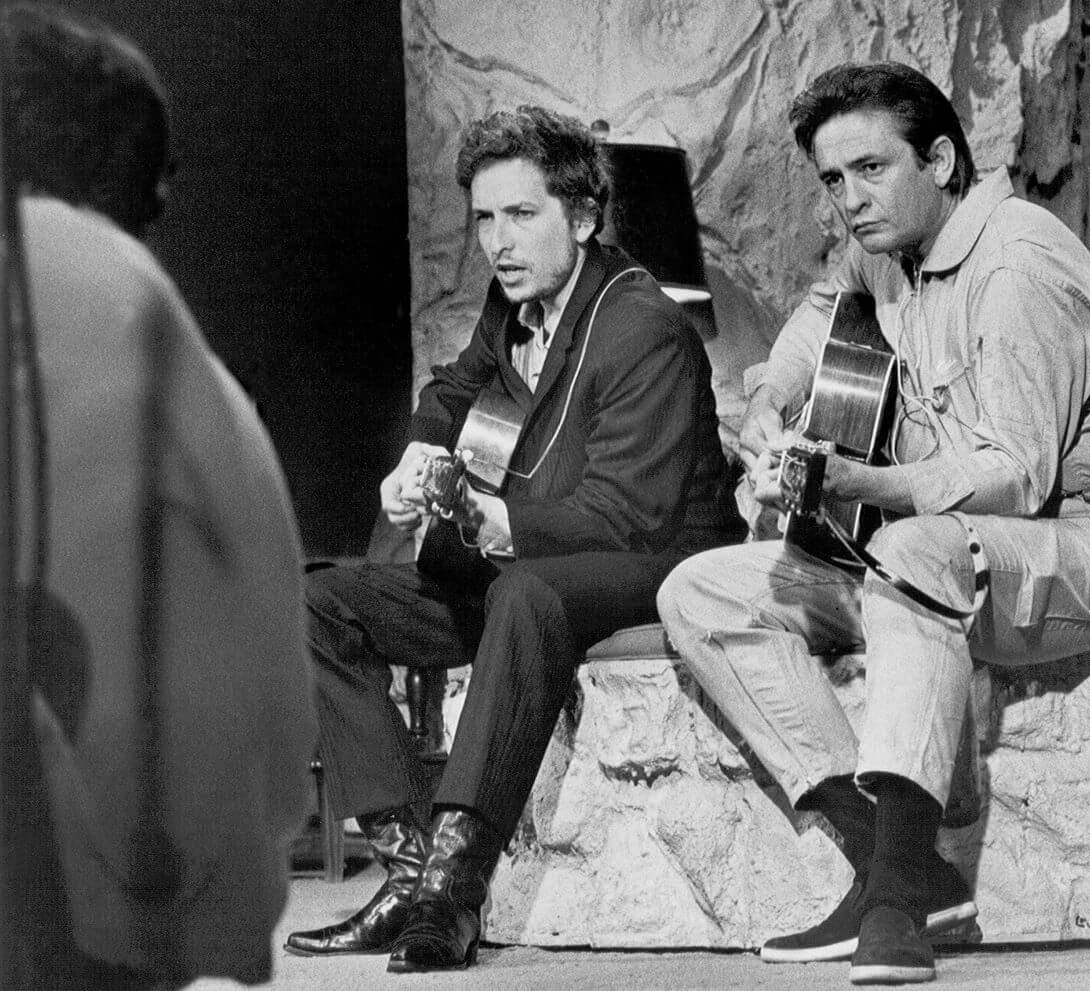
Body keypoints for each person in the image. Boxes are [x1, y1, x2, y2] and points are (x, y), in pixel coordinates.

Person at [656, 61, 1090, 986]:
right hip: (942, 566)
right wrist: (772, 402)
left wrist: (858, 478)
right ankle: (899, 863)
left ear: (940, 159)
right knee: (701, 588)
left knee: (909, 542)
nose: (849, 201)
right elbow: (816, 319)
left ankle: (896, 900)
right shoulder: (885, 248)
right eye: (831, 180)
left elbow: (1014, 476)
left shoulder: (1018, 265)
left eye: (869, 169)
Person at [286, 105, 742, 974]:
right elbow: (452, 390)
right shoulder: (511, 303)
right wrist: (417, 457)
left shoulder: (644, 324)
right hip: (533, 558)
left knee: (525, 593)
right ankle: (410, 871)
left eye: (521, 215)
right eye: (485, 218)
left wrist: (490, 522)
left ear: (580, 216)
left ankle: (455, 889)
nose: (498, 240)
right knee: (317, 601)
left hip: (652, 562)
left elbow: (625, 516)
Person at [3, 3, 316, 988]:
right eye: (153, 162)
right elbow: (272, 726)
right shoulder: (106, 284)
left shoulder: (77, 279)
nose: (169, 199)